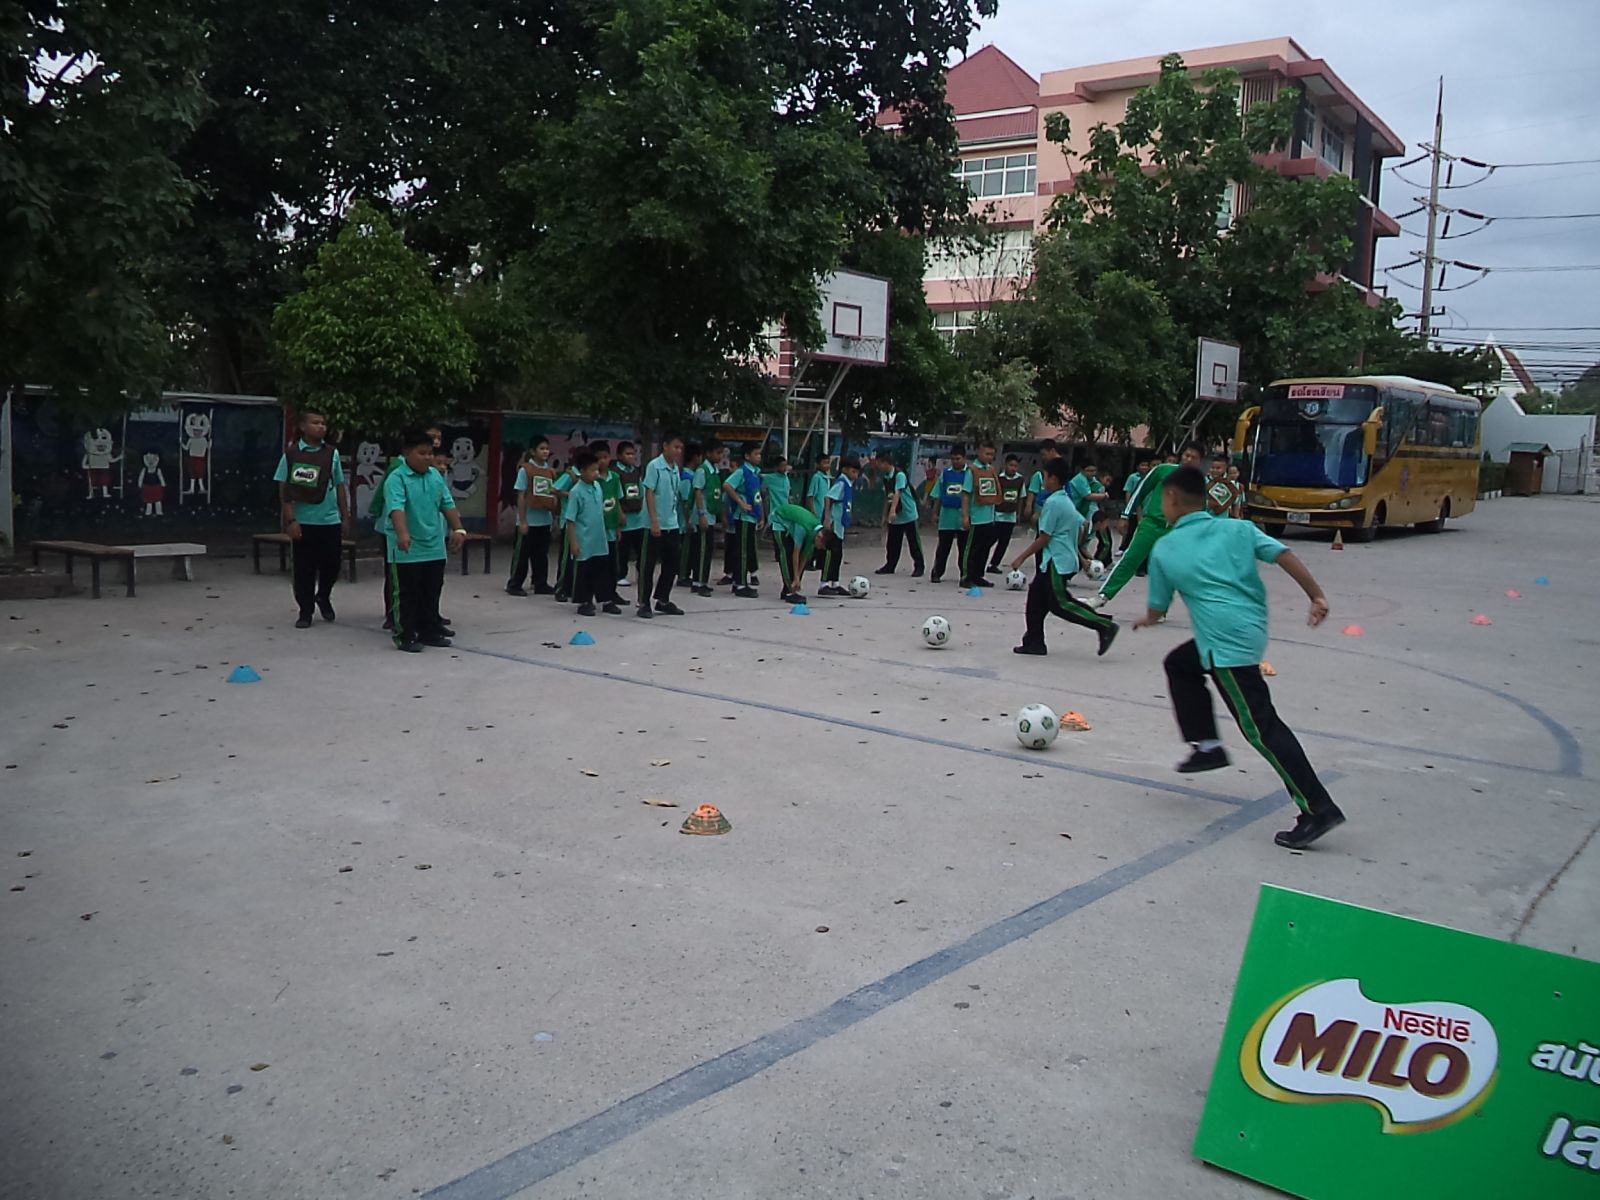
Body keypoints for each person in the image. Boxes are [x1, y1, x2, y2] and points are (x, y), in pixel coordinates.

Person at [1133, 466, 1346, 850]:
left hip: (1225, 647)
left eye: (1162, 498)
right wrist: (1316, 595)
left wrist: (1146, 620)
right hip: (1249, 631)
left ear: (1172, 499)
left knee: (1261, 729)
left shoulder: (1165, 547)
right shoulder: (1238, 529)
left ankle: (1318, 808)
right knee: (1180, 663)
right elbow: (1284, 555)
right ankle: (1207, 745)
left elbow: (1158, 609)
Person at [1010, 458, 1119, 658]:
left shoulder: (1053, 502)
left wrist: (1021, 558)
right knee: (1035, 600)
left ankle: (1104, 625)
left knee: (1060, 604)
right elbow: (1082, 525)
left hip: (1056, 561)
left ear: (1053, 478)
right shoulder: (1065, 500)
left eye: (1045, 476)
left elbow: (1044, 537)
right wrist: (1077, 551)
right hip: (1057, 559)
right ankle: (1034, 641)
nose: (1044, 480)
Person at [1087, 441, 1205, 610]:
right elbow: (1139, 492)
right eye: (1187, 455)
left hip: (1175, 530)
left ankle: (1160, 608)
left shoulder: (1199, 483)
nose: (1189, 459)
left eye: (1194, 457)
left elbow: (1201, 511)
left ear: (1199, 461)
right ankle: (1103, 596)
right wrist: (1125, 515)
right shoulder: (1163, 470)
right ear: (1182, 456)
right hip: (1152, 524)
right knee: (1130, 559)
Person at [384, 429, 466, 652]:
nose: (427, 458)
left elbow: (447, 504)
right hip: (408, 547)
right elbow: (396, 507)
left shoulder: (435, 476)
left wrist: (458, 529)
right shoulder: (396, 478)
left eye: (430, 453)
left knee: (431, 590)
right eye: (422, 453)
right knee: (406, 593)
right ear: (407, 453)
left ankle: (429, 631)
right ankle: (405, 635)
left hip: (434, 545)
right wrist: (402, 533)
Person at [273, 407, 351, 628]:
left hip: (329, 520)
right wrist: (290, 520)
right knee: (303, 569)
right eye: (315, 423)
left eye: (323, 423)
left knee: (332, 564)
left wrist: (345, 516)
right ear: (303, 426)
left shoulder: (332, 454)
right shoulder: (292, 454)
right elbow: (284, 490)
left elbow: (339, 486)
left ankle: (323, 595)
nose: (321, 427)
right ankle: (305, 611)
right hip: (303, 522)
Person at [563, 449, 623, 617]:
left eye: (597, 470)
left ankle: (606, 600)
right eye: (592, 470)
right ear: (582, 471)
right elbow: (570, 520)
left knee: (602, 570)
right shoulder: (576, 492)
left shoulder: (597, 486)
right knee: (584, 572)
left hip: (599, 539)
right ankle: (584, 602)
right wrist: (573, 543)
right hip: (584, 540)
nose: (596, 473)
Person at [639, 433, 686, 617]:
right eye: (675, 447)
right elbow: (649, 492)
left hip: (671, 523)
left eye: (680, 448)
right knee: (648, 565)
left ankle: (663, 599)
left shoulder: (675, 468)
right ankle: (643, 603)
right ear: (665, 446)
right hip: (653, 524)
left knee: (672, 563)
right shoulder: (654, 466)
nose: (678, 451)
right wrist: (654, 520)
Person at [506, 437, 558, 596]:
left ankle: (540, 583)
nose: (545, 452)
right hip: (529, 520)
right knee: (522, 555)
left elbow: (553, 495)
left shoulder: (550, 472)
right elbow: (521, 496)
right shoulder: (525, 470)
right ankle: (514, 584)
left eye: (547, 448)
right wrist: (522, 521)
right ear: (533, 451)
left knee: (541, 555)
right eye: (542, 448)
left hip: (544, 521)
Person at [722, 442, 764, 598]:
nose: (759, 457)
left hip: (752, 517)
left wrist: (761, 516)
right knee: (742, 551)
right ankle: (740, 584)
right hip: (743, 517)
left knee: (747, 549)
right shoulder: (742, 471)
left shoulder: (755, 473)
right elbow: (727, 485)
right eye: (756, 454)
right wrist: (740, 502)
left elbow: (757, 496)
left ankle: (738, 582)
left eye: (760, 454)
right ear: (747, 456)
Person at [816, 454, 861, 597]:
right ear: (844, 469)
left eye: (857, 472)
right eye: (853, 471)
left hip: (840, 526)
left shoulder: (848, 483)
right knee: (830, 554)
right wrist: (827, 519)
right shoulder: (841, 483)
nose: (855, 475)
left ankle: (835, 583)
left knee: (838, 555)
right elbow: (828, 497)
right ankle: (823, 584)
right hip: (834, 525)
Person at [874, 448, 924, 576]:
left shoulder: (899, 475)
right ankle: (890, 565)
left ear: (885, 462)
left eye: (879, 463)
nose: (878, 466)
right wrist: (885, 515)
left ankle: (919, 566)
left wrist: (892, 512)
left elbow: (898, 493)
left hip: (907, 514)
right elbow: (888, 497)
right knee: (892, 543)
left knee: (914, 543)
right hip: (896, 517)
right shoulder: (886, 477)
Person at [960, 440, 1000, 589]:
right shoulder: (972, 470)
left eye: (991, 454)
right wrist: (965, 516)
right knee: (972, 549)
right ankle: (966, 576)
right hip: (976, 518)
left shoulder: (991, 470)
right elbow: (965, 494)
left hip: (988, 517)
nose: (989, 457)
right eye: (987, 453)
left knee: (984, 549)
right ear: (979, 452)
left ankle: (978, 576)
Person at [687, 441, 724, 596]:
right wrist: (701, 514)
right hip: (703, 516)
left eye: (721, 453)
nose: (720, 456)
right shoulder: (702, 470)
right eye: (717, 453)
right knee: (701, 551)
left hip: (711, 515)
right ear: (708, 453)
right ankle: (699, 583)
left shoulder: (714, 471)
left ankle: (700, 581)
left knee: (707, 550)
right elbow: (697, 492)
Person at [769, 501, 821, 603]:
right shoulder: (803, 527)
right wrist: (796, 577)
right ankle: (790, 592)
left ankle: (788, 588)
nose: (818, 548)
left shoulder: (814, 530)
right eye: (821, 546)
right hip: (778, 521)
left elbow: (804, 557)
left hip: (790, 525)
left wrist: (798, 578)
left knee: (796, 558)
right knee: (785, 553)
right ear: (820, 537)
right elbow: (796, 553)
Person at [930, 448, 969, 583]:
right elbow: (938, 495)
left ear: (964, 458)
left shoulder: (969, 474)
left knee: (963, 548)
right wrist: (935, 513)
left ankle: (965, 574)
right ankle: (937, 572)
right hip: (946, 517)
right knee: (943, 547)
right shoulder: (945, 474)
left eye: (958, 459)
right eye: (953, 459)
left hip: (962, 516)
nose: (955, 462)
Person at [614, 440, 647, 592]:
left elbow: (642, 491)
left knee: (641, 549)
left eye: (633, 454)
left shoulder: (636, 471)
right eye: (628, 454)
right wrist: (620, 513)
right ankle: (620, 575)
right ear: (619, 456)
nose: (631, 457)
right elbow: (616, 495)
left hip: (638, 518)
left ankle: (642, 573)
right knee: (623, 549)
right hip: (625, 518)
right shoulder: (615, 473)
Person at [1024, 439, 1063, 568]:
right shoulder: (1041, 473)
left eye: (1044, 454)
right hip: (1044, 513)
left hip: (1052, 513)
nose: (1043, 457)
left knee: (1045, 541)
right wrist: (1030, 506)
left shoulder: (1061, 470)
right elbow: (1035, 491)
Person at [988, 454, 1026, 571]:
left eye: (1015, 466)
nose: (1013, 468)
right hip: (998, 515)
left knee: (1004, 543)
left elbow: (1021, 497)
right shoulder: (999, 479)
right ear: (1005, 465)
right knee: (990, 540)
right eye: (1011, 465)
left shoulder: (1020, 480)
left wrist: (1018, 514)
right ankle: (979, 560)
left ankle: (994, 564)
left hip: (1010, 517)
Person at [1118, 457, 1151, 554]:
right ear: (1137, 466)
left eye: (1146, 465)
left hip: (1145, 509)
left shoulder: (1150, 478)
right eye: (1142, 465)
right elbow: (1129, 493)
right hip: (1134, 508)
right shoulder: (1133, 477)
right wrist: (1128, 508)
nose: (1144, 467)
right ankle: (1123, 548)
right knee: (1130, 529)